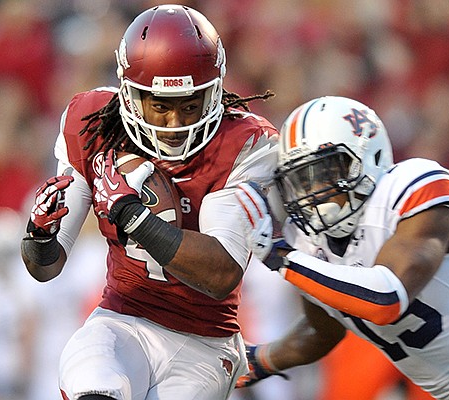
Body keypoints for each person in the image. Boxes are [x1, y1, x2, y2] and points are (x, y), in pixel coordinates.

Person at [20, 4, 279, 400]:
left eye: (190, 104)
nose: (176, 124)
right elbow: (47, 268)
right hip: (122, 319)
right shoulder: (91, 122)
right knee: (94, 382)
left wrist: (133, 216)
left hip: (204, 342)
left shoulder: (244, 143)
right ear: (130, 93)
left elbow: (220, 273)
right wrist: (39, 237)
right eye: (161, 105)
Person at [234, 96, 449, 399]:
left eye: (326, 173)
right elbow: (324, 329)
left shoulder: (412, 188)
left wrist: (282, 257)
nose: (313, 192)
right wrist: (262, 360)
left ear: (368, 158)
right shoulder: (307, 244)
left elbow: (386, 298)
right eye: (302, 180)